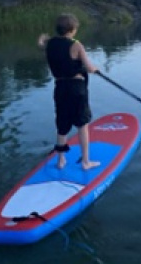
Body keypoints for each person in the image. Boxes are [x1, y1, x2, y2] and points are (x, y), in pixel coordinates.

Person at [38, 13, 100, 170]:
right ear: (72, 30)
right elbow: (89, 67)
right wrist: (95, 69)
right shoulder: (76, 45)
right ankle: (86, 162)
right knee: (82, 124)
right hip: (76, 88)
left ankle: (60, 160)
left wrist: (41, 40)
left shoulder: (50, 44)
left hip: (60, 88)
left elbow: (43, 43)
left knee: (62, 124)